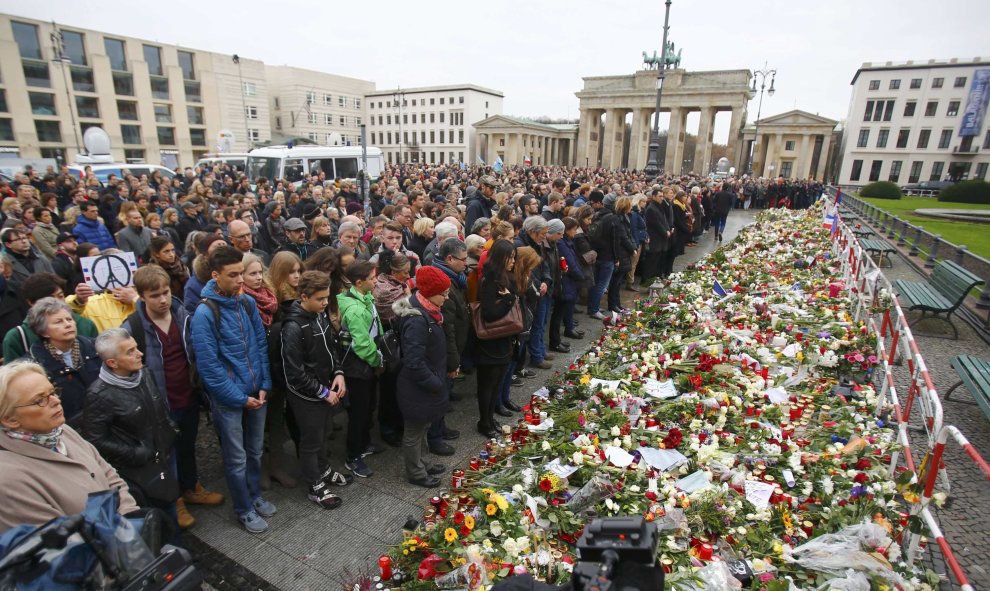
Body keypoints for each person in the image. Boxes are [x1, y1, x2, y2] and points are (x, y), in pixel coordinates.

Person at [123, 265, 224, 529]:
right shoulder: (133, 326)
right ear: (142, 296)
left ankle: (191, 487)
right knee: (166, 455)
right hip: (159, 402)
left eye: (165, 292)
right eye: (154, 295)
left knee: (187, 445)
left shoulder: (181, 314)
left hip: (187, 395)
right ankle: (174, 498)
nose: (163, 299)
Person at [190, 246, 276, 534]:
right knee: (236, 457)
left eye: (242, 273)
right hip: (231, 399)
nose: (240, 280)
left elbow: (260, 346)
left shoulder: (246, 303)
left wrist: (264, 384)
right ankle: (243, 508)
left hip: (256, 392)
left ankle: (254, 495)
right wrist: (240, 397)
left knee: (255, 450)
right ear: (215, 275)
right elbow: (209, 366)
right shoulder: (205, 312)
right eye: (233, 275)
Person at [0, 360, 139, 531]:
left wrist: (131, 522)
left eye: (53, 392)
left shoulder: (62, 431)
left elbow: (110, 476)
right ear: (9, 419)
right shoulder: (7, 479)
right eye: (40, 400)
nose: (56, 401)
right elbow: (56, 543)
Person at [82, 329, 179, 515]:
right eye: (130, 351)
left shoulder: (144, 374)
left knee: (171, 504)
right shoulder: (99, 395)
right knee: (154, 515)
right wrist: (136, 453)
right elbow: (95, 440)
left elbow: (159, 406)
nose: (140, 353)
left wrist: (170, 431)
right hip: (139, 468)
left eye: (136, 348)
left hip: (164, 453)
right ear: (112, 362)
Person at [280, 270, 353, 510]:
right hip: (306, 396)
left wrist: (339, 373)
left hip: (326, 388)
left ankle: (323, 468)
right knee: (311, 441)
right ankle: (314, 484)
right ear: (304, 296)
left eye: (326, 298)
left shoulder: (319, 315)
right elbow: (294, 373)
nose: (325, 303)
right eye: (320, 299)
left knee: (324, 434)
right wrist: (323, 392)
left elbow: (332, 349)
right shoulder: (293, 327)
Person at [393, 266, 450, 488]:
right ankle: (416, 472)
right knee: (414, 431)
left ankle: (421, 462)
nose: (446, 297)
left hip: (426, 384)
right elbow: (414, 362)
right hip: (418, 387)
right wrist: (435, 382)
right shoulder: (417, 320)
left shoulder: (428, 311)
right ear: (428, 293)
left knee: (424, 426)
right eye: (442, 293)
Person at [337, 260, 385, 479]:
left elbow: (375, 325)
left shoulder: (365, 297)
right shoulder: (355, 309)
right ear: (359, 282)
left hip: (368, 364)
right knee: (358, 412)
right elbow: (362, 344)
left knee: (367, 408)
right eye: (372, 278)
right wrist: (378, 361)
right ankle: (353, 455)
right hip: (358, 368)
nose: (376, 281)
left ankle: (364, 444)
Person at [24, 298, 101, 425]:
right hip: (68, 427)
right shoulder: (33, 365)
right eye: (58, 322)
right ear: (43, 332)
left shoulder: (95, 347)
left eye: (69, 319)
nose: (68, 324)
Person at [474, 240, 518, 438]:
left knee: (497, 381)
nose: (513, 261)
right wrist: (509, 300)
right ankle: (484, 421)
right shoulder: (489, 280)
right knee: (487, 384)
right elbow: (490, 314)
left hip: (502, 339)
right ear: (501, 258)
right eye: (510, 258)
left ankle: (490, 418)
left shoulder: (503, 278)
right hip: (490, 341)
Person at [2, 272, 97, 363]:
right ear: (31, 302)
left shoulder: (85, 324)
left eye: (60, 296)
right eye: (49, 299)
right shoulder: (17, 337)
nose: (57, 302)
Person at [372, 251, 411, 449]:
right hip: (390, 345)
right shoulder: (386, 290)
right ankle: (387, 428)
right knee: (389, 388)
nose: (408, 276)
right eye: (405, 272)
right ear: (393, 272)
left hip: (399, 340)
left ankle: (397, 422)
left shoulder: (397, 284)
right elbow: (405, 313)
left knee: (399, 386)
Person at [585, 191, 619, 320]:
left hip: (597, 253)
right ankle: (594, 309)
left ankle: (592, 306)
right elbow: (615, 240)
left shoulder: (597, 215)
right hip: (607, 255)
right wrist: (616, 258)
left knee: (595, 282)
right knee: (602, 284)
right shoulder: (612, 218)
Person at [555, 218, 587, 341]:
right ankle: (568, 328)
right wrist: (580, 276)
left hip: (571, 278)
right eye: (574, 229)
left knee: (570, 304)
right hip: (567, 279)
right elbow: (570, 262)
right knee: (566, 305)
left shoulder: (567, 241)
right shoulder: (562, 243)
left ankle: (570, 326)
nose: (576, 231)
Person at [608, 196, 637, 315]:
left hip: (624, 252)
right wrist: (632, 249)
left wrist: (633, 246)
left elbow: (628, 235)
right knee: (616, 282)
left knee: (618, 281)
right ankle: (613, 304)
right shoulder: (618, 219)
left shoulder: (623, 217)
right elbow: (623, 237)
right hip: (621, 253)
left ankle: (617, 304)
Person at [641, 188, 673, 285]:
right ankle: (646, 280)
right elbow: (656, 223)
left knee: (657, 260)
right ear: (654, 196)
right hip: (655, 237)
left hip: (661, 238)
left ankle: (655, 278)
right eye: (660, 196)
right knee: (652, 261)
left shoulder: (659, 206)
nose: (662, 198)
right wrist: (665, 232)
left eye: (662, 196)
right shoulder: (651, 208)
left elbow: (664, 219)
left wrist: (668, 228)